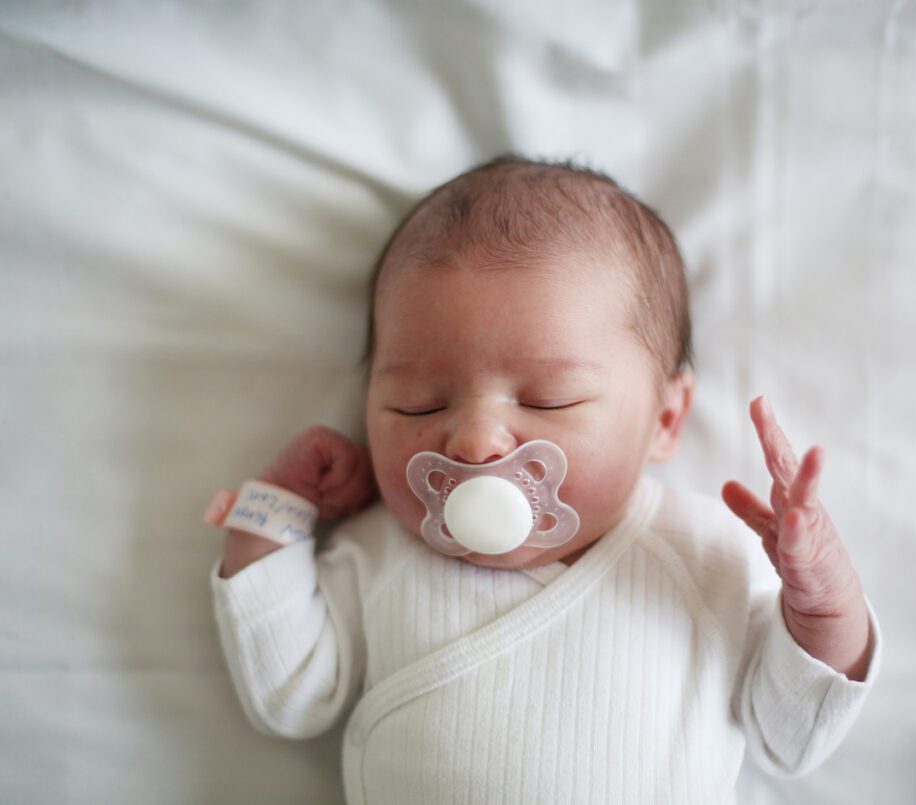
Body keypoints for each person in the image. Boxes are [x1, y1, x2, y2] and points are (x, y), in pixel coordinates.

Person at [208, 154, 880, 803]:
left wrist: (822, 606)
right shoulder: (379, 551)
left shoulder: (705, 554)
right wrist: (277, 508)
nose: (473, 440)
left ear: (665, 418)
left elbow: (791, 738)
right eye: (420, 402)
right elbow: (288, 696)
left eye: (548, 399)